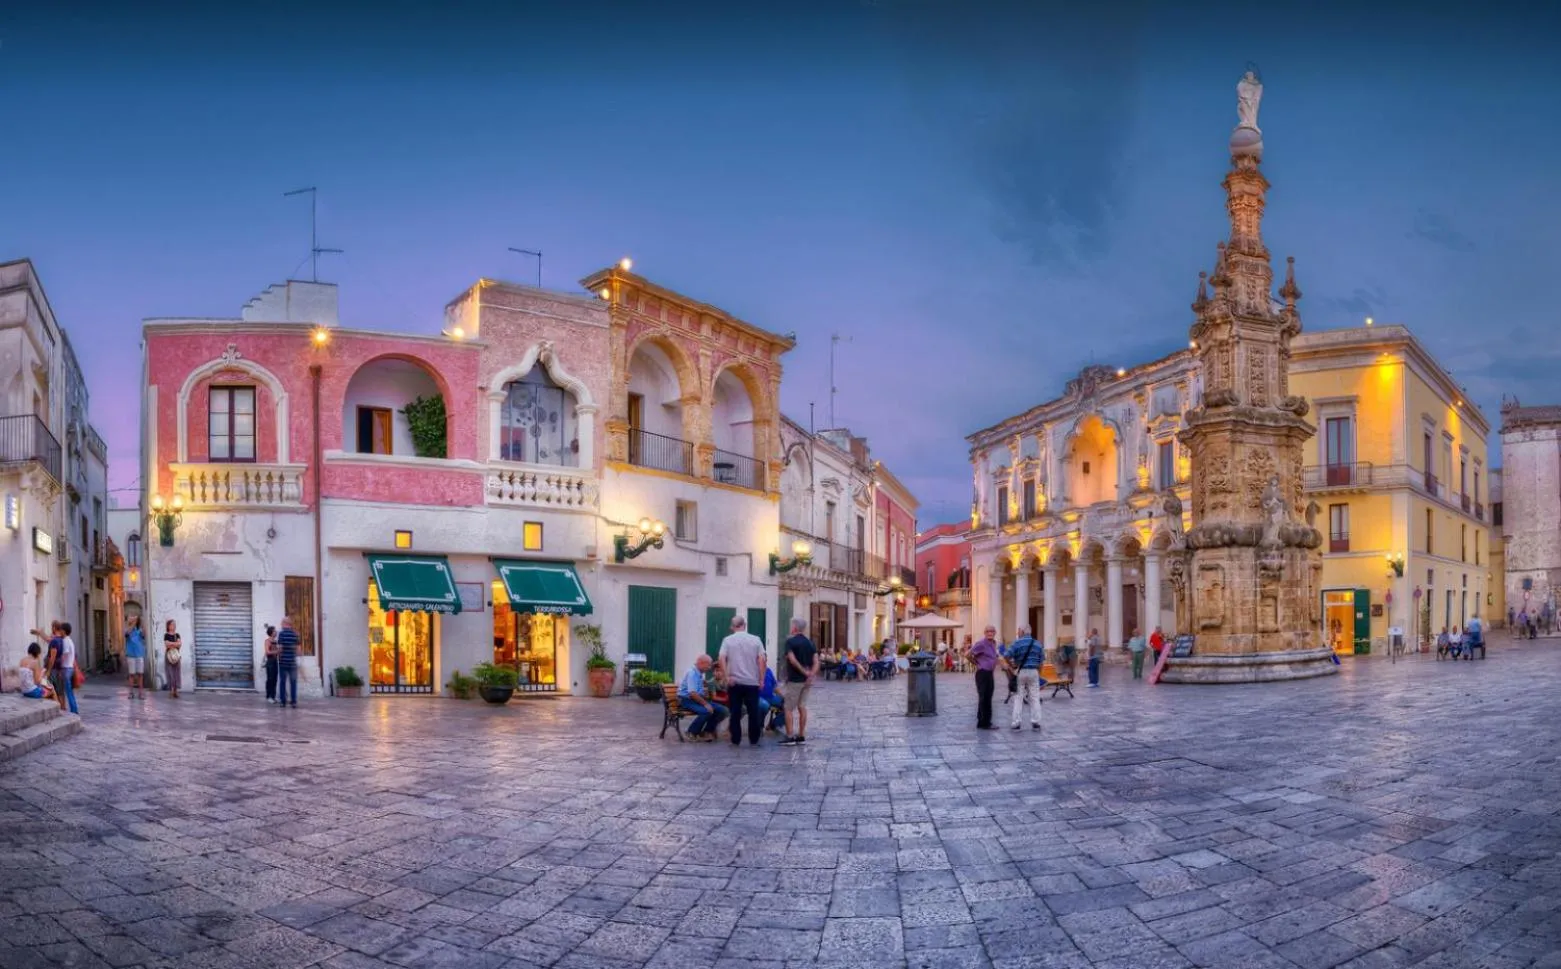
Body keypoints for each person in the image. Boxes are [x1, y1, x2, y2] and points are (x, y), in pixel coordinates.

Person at [717, 615, 767, 747]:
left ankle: (736, 739)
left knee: (735, 711)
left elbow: (721, 658)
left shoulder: (727, 640)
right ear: (745, 625)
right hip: (752, 681)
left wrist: (726, 676)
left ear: (733, 627)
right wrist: (761, 679)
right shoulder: (756, 640)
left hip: (735, 681)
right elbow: (762, 660)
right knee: (753, 712)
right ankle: (754, 740)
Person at [780, 616, 817, 746]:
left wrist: (804, 672)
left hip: (795, 680)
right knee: (802, 707)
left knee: (788, 708)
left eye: (791, 625)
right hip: (807, 681)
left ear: (794, 627)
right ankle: (801, 735)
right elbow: (816, 661)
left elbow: (792, 659)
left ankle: (790, 736)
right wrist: (811, 674)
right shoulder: (810, 642)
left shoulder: (790, 642)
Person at [678, 655, 726, 741]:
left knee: (722, 710)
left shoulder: (698, 674)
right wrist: (706, 704)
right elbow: (692, 693)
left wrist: (704, 694)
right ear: (701, 663)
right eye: (708, 665)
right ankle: (691, 732)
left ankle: (706, 732)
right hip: (687, 700)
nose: (709, 667)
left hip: (695, 699)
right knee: (706, 711)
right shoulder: (692, 673)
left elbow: (696, 692)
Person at [1004, 626, 1043, 731]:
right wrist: (1038, 672)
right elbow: (1041, 661)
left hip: (1021, 672)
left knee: (1018, 697)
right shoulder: (1038, 644)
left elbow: (1006, 655)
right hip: (1033, 671)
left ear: (1021, 632)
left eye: (1018, 632)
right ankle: (1036, 723)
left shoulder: (1017, 643)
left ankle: (1016, 723)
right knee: (1035, 697)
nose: (1018, 633)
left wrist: (1012, 666)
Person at [966, 626, 1002, 730]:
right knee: (984, 697)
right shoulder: (981, 643)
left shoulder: (993, 643)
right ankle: (985, 722)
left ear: (995, 632)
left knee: (987, 696)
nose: (990, 633)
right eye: (987, 631)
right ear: (984, 633)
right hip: (983, 673)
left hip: (989, 673)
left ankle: (982, 721)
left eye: (992, 631)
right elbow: (968, 654)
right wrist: (976, 663)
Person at [32, 623, 66, 710]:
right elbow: (48, 639)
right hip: (60, 670)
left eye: (52, 627)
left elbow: (52, 658)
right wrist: (40, 633)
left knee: (48, 689)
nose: (51, 629)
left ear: (54, 628)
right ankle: (63, 709)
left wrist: (48, 671)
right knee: (60, 693)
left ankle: (56, 709)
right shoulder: (62, 640)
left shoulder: (55, 641)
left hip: (53, 671)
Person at [276, 617, 301, 707]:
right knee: (293, 682)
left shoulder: (281, 634)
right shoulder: (295, 634)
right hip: (292, 662)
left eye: (282, 623)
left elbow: (280, 648)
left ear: (285, 624)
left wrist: (278, 654)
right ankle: (293, 702)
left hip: (283, 662)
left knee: (282, 682)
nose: (281, 625)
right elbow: (298, 651)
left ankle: (283, 702)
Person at [124, 615, 147, 700]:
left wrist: (142, 623)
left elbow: (144, 635)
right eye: (131, 617)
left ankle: (141, 693)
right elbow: (127, 634)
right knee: (131, 674)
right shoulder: (127, 629)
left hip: (139, 654)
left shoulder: (139, 629)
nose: (132, 618)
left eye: (134, 617)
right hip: (131, 655)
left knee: (140, 674)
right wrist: (133, 623)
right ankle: (131, 693)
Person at [163, 620, 183, 698]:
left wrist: (172, 644)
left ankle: (175, 691)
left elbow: (180, 644)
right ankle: (171, 690)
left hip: (176, 656)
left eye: (174, 624)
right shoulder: (166, 635)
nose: (173, 626)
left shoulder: (177, 635)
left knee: (176, 673)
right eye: (171, 624)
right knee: (170, 673)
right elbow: (167, 645)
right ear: (168, 626)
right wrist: (175, 644)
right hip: (169, 656)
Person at [263, 625, 279, 703]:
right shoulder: (267, 641)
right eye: (274, 631)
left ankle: (273, 696)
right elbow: (267, 652)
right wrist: (277, 651)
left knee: (275, 679)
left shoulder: (275, 641)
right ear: (271, 632)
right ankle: (269, 696)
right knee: (270, 679)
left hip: (275, 661)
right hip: (270, 662)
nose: (276, 632)